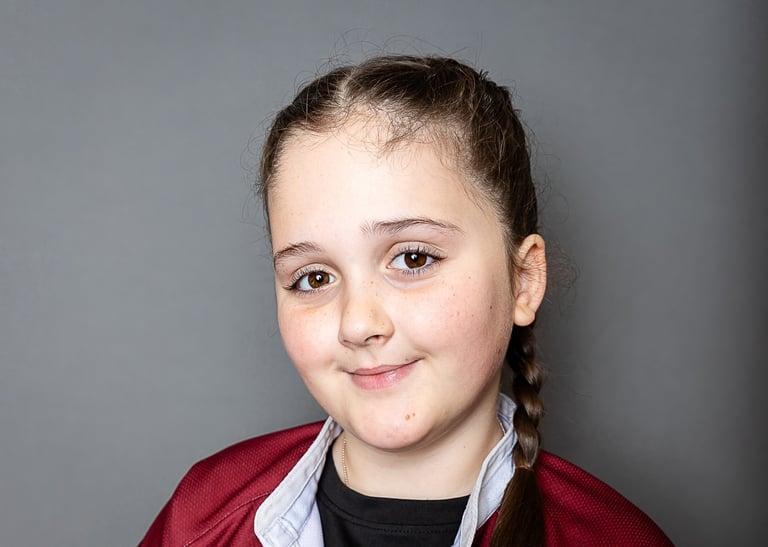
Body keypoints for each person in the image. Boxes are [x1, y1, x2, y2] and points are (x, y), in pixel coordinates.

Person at [140, 55, 673, 546]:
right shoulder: (203, 513)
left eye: (413, 259)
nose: (357, 323)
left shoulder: (614, 537)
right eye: (314, 277)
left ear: (524, 280)